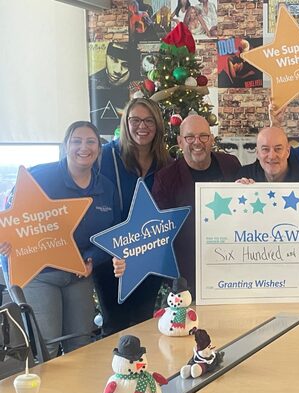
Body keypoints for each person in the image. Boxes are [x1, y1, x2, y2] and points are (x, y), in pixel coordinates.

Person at [0, 122, 119, 358]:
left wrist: (92, 260)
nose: (83, 147)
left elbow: (111, 235)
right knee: (47, 348)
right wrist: (6, 248)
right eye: (76, 141)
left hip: (78, 274)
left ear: (99, 148)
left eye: (91, 141)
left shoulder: (106, 188)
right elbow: (11, 221)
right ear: (66, 146)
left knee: (81, 345)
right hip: (38, 275)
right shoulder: (39, 177)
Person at [98, 98, 171, 335]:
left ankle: (142, 361)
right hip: (112, 258)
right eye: (136, 120)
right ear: (126, 122)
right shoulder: (104, 157)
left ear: (158, 125)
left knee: (144, 322)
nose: (142, 126)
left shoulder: (166, 163)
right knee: (114, 326)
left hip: (148, 255)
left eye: (149, 120)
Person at [150, 115, 241, 297]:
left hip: (231, 266)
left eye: (203, 136)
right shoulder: (166, 179)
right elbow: (160, 232)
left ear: (211, 139)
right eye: (190, 137)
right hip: (189, 274)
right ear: (180, 141)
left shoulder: (231, 164)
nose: (197, 142)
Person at [235, 127, 299, 183]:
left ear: (288, 152)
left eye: (278, 149)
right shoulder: (244, 175)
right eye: (265, 149)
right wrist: (236, 192)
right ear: (257, 153)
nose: (272, 156)